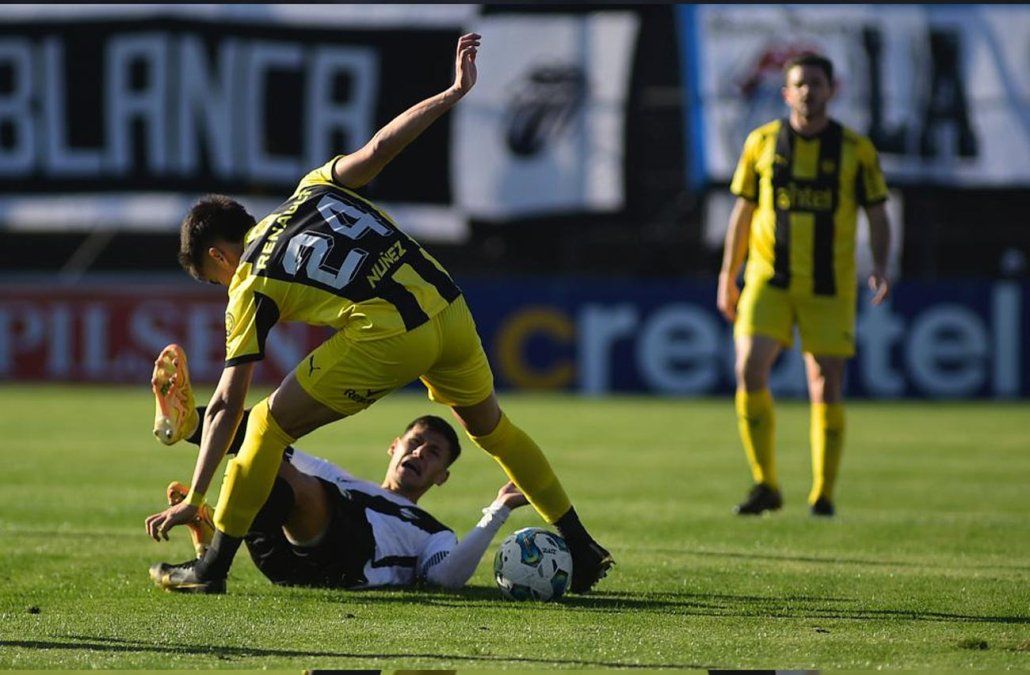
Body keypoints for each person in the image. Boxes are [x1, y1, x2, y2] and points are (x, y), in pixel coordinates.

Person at [144, 33, 612, 593]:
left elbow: (228, 401)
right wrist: (452, 93)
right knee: (494, 430)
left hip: (391, 333)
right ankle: (581, 547)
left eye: (212, 276)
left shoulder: (247, 280)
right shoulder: (311, 189)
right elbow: (380, 149)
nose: (221, 285)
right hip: (447, 304)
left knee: (266, 425)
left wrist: (195, 496)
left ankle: (211, 568)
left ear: (220, 256)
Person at [716, 53, 892, 517]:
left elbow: (877, 211)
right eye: (800, 84)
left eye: (817, 83)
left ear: (832, 90)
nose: (809, 91)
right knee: (749, 369)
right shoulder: (762, 142)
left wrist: (881, 263)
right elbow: (743, 213)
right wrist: (726, 274)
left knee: (825, 383)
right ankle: (765, 483)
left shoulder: (856, 150)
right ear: (786, 93)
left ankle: (823, 493)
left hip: (828, 286)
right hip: (767, 279)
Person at [150, 399, 530, 593]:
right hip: (285, 559)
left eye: (432, 454)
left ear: (442, 477)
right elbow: (257, 436)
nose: (418, 454)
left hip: (349, 563)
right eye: (414, 444)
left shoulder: (436, 532)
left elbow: (444, 580)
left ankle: (209, 560)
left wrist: (497, 510)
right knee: (264, 448)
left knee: (294, 479)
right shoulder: (347, 482)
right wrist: (194, 427)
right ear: (394, 447)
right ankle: (186, 422)